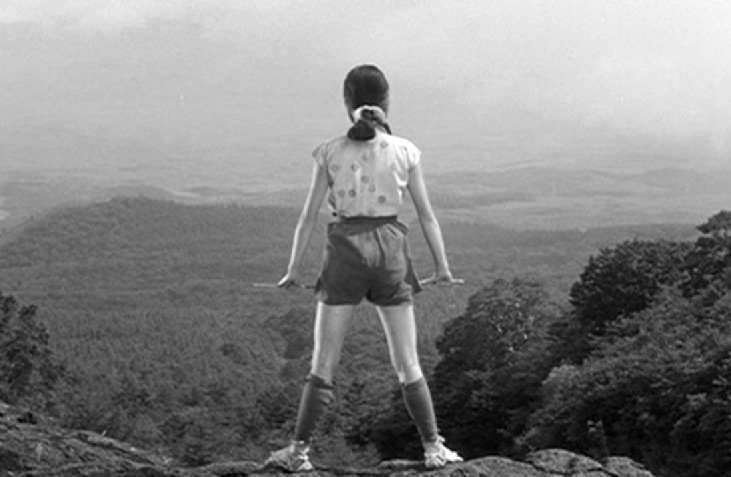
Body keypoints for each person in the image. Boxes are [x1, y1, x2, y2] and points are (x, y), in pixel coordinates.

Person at [265, 64, 463, 472]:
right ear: (387, 101)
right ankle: (433, 449)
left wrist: (292, 270)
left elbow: (308, 217)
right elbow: (427, 216)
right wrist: (442, 267)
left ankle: (299, 454)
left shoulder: (329, 152)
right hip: (391, 252)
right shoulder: (406, 151)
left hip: (344, 252)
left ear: (347, 102)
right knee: (407, 362)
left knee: (323, 362)